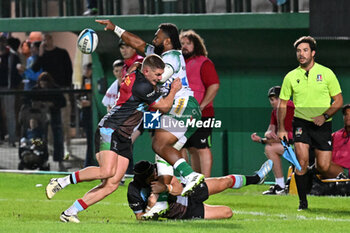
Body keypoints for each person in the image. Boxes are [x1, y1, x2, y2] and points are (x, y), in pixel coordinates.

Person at [45, 54, 182, 223]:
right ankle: (61, 181)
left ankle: (70, 212)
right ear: (146, 71)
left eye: (161, 74)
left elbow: (138, 63)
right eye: (157, 75)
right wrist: (174, 89)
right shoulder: (142, 86)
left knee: (112, 184)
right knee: (106, 171)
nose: (160, 78)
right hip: (110, 129)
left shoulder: (136, 72)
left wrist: (154, 78)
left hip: (124, 135)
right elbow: (165, 106)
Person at [96, 19, 206, 218]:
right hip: (176, 108)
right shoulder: (159, 54)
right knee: (162, 153)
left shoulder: (172, 57)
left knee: (159, 145)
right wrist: (115, 28)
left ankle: (191, 176)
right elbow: (137, 43)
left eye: (157, 36)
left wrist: (139, 67)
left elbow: (161, 76)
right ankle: (162, 202)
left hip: (183, 105)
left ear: (167, 41)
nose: (154, 38)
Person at [277, 36, 343, 210]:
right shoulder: (290, 76)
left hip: (323, 124)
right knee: (302, 161)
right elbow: (282, 104)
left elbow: (338, 101)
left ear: (313, 53)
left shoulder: (327, 73)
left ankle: (309, 173)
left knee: (323, 166)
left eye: (305, 50)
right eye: (298, 51)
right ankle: (302, 202)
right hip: (301, 123)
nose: (301, 54)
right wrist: (282, 127)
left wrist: (325, 115)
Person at [128, 159, 273, 220]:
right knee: (227, 212)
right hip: (185, 211)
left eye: (155, 171)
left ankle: (256, 178)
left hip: (188, 192)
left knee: (225, 181)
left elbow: (177, 188)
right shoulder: (134, 190)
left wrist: (165, 187)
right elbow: (140, 218)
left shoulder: (160, 173)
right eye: (151, 175)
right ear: (144, 179)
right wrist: (151, 204)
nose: (155, 174)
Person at [179, 30, 220, 178]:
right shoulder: (179, 64)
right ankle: (193, 180)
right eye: (182, 43)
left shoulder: (204, 62)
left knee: (202, 147)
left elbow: (214, 86)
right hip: (182, 113)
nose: (184, 46)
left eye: (188, 43)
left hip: (203, 113)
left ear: (195, 45)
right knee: (189, 148)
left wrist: (200, 107)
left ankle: (207, 181)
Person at [32, 33, 73, 160]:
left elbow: (69, 70)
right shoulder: (43, 55)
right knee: (48, 122)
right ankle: (50, 147)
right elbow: (35, 69)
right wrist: (40, 54)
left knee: (64, 120)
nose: (46, 41)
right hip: (47, 93)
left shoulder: (62, 53)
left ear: (52, 39)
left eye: (48, 39)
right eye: (44, 39)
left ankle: (66, 146)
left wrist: (66, 86)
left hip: (60, 90)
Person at [251, 86, 294, 195]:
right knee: (270, 148)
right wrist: (267, 134)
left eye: (276, 98)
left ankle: (280, 185)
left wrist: (261, 140)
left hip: (301, 146)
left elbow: (284, 137)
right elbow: (270, 131)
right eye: (271, 99)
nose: (273, 102)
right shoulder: (275, 112)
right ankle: (280, 186)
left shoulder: (290, 107)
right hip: (290, 146)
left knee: (270, 148)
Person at [31, 72, 66, 171]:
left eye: (45, 84)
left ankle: (59, 161)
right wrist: (39, 105)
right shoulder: (36, 89)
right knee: (42, 138)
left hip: (54, 114)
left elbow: (62, 102)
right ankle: (43, 161)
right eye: (42, 84)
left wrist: (52, 104)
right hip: (41, 115)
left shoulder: (55, 89)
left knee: (58, 138)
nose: (43, 86)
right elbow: (29, 101)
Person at [78, 63, 94, 167]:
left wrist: (90, 102)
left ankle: (90, 162)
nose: (86, 71)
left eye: (88, 69)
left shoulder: (95, 81)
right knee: (89, 139)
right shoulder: (84, 81)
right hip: (85, 113)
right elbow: (80, 96)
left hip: (92, 113)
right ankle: (88, 162)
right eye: (85, 69)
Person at [329, 104, 350, 176]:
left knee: (323, 165)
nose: (348, 117)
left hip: (346, 171)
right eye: (346, 114)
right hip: (332, 167)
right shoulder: (335, 135)